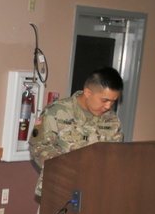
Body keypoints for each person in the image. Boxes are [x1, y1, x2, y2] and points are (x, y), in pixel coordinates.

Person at [29, 67, 124, 198]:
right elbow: (38, 147)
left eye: (113, 101)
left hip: (98, 192)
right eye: (105, 100)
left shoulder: (112, 120)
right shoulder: (56, 112)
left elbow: (116, 155)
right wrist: (70, 169)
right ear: (88, 92)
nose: (108, 106)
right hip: (60, 189)